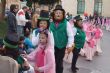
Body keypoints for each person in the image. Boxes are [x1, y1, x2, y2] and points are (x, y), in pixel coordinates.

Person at [49, 5, 74, 73]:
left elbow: (71, 35)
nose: (58, 14)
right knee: (52, 61)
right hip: (52, 46)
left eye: (60, 13)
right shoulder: (51, 23)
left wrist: (69, 45)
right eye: (56, 13)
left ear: (63, 15)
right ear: (54, 14)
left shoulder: (66, 23)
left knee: (59, 62)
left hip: (61, 47)